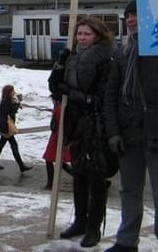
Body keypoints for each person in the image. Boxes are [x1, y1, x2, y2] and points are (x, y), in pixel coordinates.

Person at [104, 0, 158, 252]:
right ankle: (126, 242)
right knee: (129, 191)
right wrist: (113, 133)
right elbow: (111, 96)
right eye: (128, 15)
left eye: (136, 15)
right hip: (129, 137)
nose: (130, 20)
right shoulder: (123, 53)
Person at [49, 16, 115, 248]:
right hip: (76, 125)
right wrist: (60, 64)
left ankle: (93, 227)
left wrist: (73, 94)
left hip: (97, 127)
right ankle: (79, 220)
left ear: (97, 35)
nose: (82, 38)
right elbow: (55, 88)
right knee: (79, 175)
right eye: (79, 34)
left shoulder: (105, 60)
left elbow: (100, 99)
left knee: (96, 178)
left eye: (86, 34)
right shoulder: (74, 58)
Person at [0, 85, 32, 172]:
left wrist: (17, 102)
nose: (14, 92)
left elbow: (12, 109)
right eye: (13, 91)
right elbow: (11, 110)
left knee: (1, 144)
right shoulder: (6, 101)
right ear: (9, 92)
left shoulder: (6, 100)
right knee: (14, 145)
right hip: (6, 127)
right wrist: (18, 102)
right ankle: (21, 166)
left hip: (5, 126)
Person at [42, 94, 72, 190]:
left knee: (49, 159)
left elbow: (55, 125)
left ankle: (50, 183)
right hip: (60, 137)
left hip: (57, 138)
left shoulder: (59, 109)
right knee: (60, 160)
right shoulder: (62, 108)